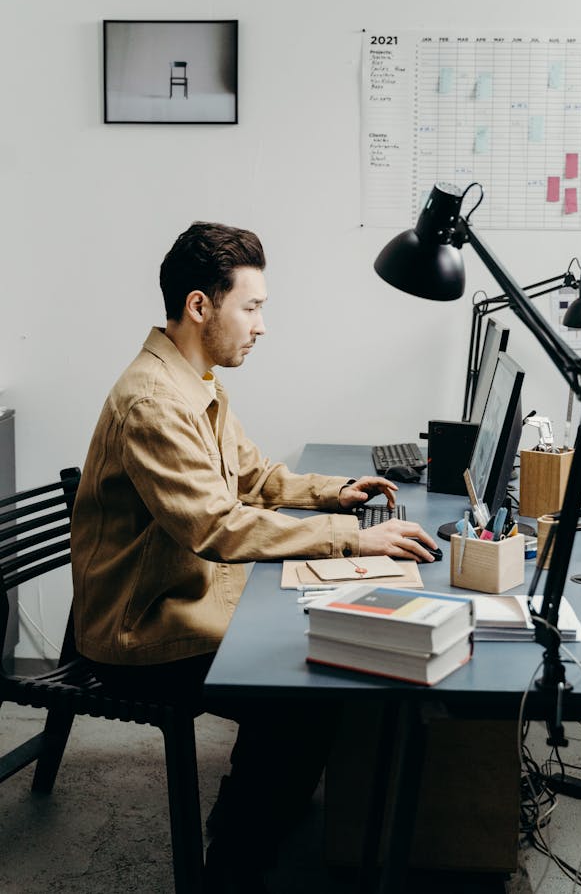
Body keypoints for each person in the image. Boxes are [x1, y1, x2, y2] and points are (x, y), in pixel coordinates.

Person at [70, 220, 437, 893]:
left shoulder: (194, 379)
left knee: (314, 658)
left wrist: (335, 494)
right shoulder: (155, 401)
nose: (262, 325)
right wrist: (355, 538)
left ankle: (259, 816)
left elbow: (253, 479)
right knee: (304, 688)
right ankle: (235, 862)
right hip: (143, 631)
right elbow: (216, 527)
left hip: (190, 598)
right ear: (199, 306)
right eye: (253, 306)